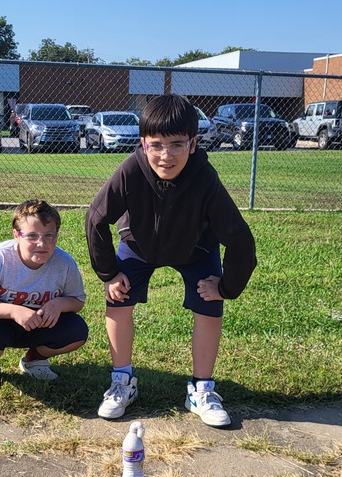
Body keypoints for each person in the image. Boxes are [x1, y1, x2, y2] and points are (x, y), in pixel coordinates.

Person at [85, 94, 257, 428]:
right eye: (157, 145)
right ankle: (123, 381)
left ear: (194, 143)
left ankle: (201, 389)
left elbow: (240, 238)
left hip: (196, 249)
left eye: (177, 144)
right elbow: (95, 218)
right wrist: (109, 272)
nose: (167, 156)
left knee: (209, 304)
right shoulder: (131, 169)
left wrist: (226, 286)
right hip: (139, 244)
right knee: (117, 299)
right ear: (143, 143)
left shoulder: (205, 177)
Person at [0, 199, 88, 389]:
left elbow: (77, 301)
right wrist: (13, 311)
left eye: (48, 235)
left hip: (38, 323)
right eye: (32, 236)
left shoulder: (64, 263)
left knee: (76, 331)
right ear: (16, 235)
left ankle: (34, 359)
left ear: (56, 236)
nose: (41, 243)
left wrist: (59, 304)